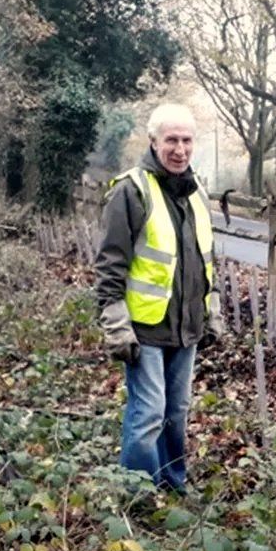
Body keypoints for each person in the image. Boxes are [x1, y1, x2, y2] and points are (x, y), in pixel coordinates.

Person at [95, 103, 224, 495]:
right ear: (153, 142)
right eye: (171, 140)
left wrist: (212, 311)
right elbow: (110, 264)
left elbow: (206, 260)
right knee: (149, 412)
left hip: (186, 327)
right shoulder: (130, 190)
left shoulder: (196, 193)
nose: (179, 150)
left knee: (177, 412)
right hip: (144, 328)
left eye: (186, 141)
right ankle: (138, 494)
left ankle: (172, 484)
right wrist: (116, 324)